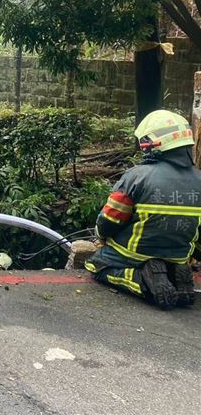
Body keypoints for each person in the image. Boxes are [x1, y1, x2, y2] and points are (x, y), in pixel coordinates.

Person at [85, 109, 201, 309]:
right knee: (171, 263)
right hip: (179, 255)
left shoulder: (136, 177)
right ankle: (175, 275)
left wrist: (100, 236)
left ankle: (139, 279)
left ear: (151, 144)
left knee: (96, 266)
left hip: (135, 254)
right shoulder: (199, 179)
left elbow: (110, 221)